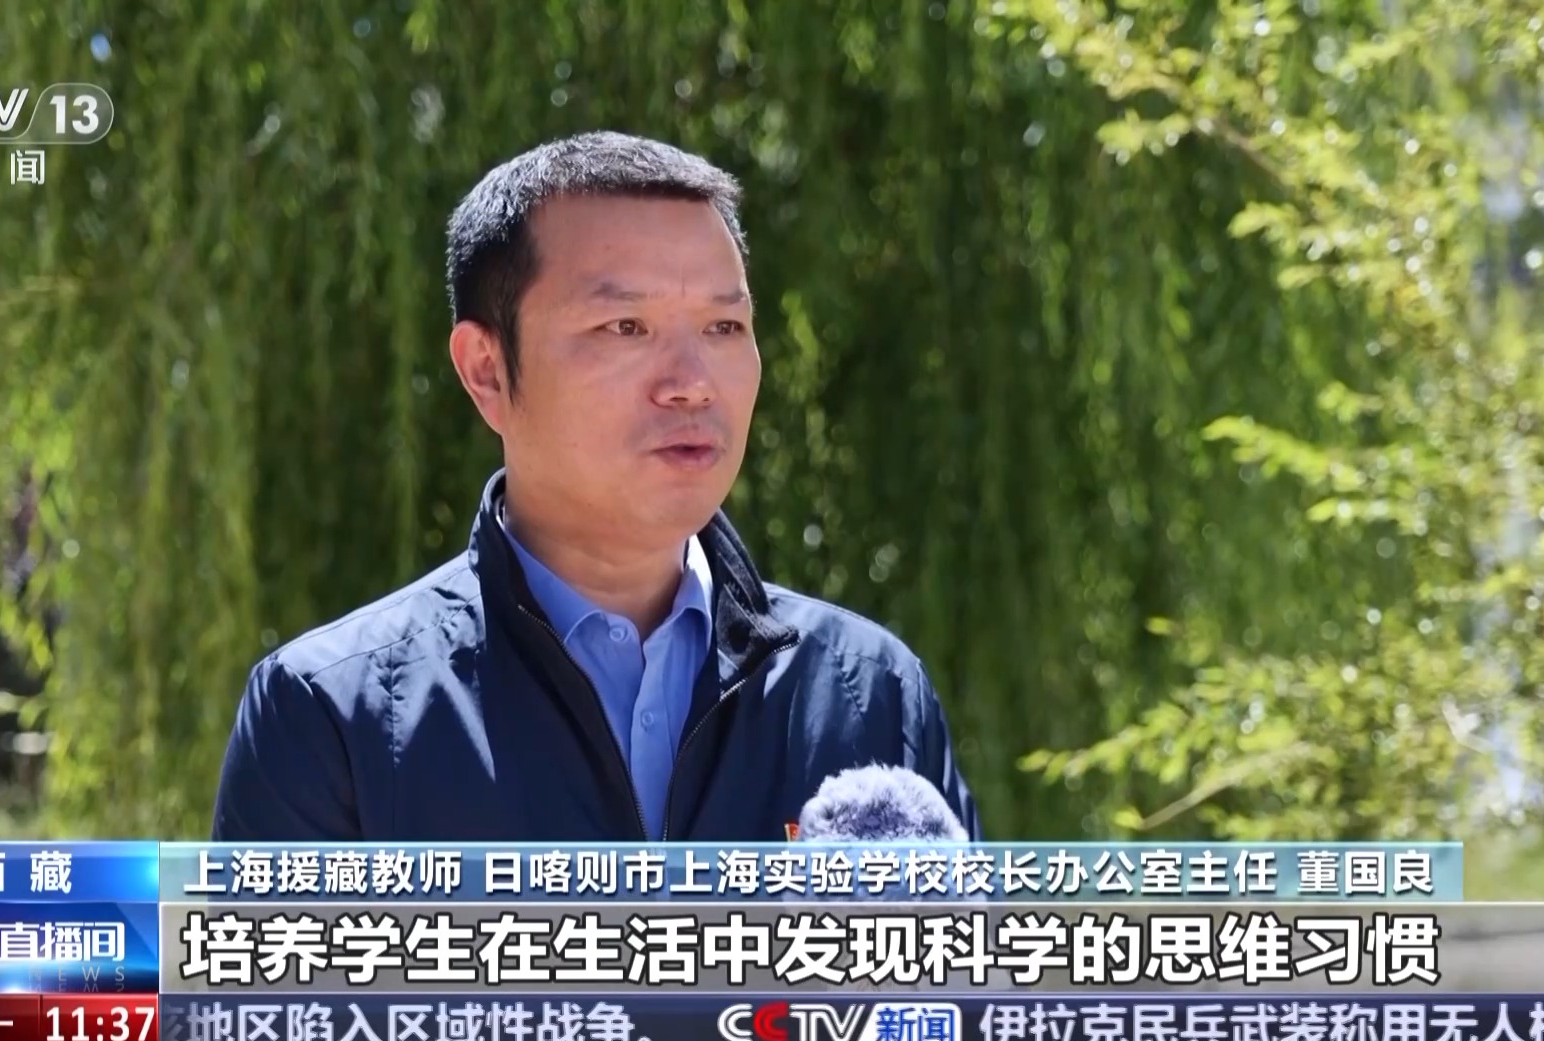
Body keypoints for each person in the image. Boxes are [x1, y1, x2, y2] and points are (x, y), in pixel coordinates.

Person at [211, 131, 981, 842]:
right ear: (487, 371)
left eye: (724, 328)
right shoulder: (331, 716)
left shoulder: (870, 694)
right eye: (625, 328)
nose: (692, 383)